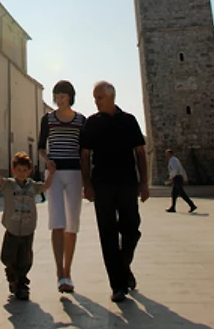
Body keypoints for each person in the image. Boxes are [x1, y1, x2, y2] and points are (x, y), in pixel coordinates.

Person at [80, 80, 149, 304]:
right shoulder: (92, 123)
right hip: (102, 185)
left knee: (131, 229)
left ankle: (123, 267)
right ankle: (118, 286)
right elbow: (85, 156)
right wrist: (87, 184)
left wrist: (144, 182)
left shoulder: (129, 121)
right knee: (108, 235)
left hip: (127, 183)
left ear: (111, 97)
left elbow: (140, 152)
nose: (96, 101)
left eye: (99, 97)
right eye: (95, 98)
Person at [38, 80, 85, 293]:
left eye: (63, 95)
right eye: (56, 96)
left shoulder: (81, 120)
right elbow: (41, 146)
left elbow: (84, 150)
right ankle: (59, 273)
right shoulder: (47, 119)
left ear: (70, 96)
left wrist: (87, 179)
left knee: (72, 223)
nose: (59, 99)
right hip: (54, 173)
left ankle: (68, 271)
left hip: (75, 173)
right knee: (57, 220)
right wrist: (47, 160)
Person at [0, 151, 55, 300]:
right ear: (13, 170)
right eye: (18, 170)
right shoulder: (9, 185)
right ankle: (12, 275)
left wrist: (51, 173)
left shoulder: (32, 186)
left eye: (24, 170)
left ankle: (22, 283)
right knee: (8, 256)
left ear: (29, 171)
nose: (21, 173)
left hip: (27, 229)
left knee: (25, 259)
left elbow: (46, 186)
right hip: (12, 229)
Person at [165, 149, 197, 213]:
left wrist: (171, 178)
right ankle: (173, 207)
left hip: (177, 178)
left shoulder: (173, 160)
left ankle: (192, 205)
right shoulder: (175, 160)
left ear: (170, 154)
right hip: (178, 178)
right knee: (174, 193)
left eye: (167, 154)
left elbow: (175, 170)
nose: (166, 155)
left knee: (181, 193)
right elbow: (181, 169)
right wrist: (185, 177)